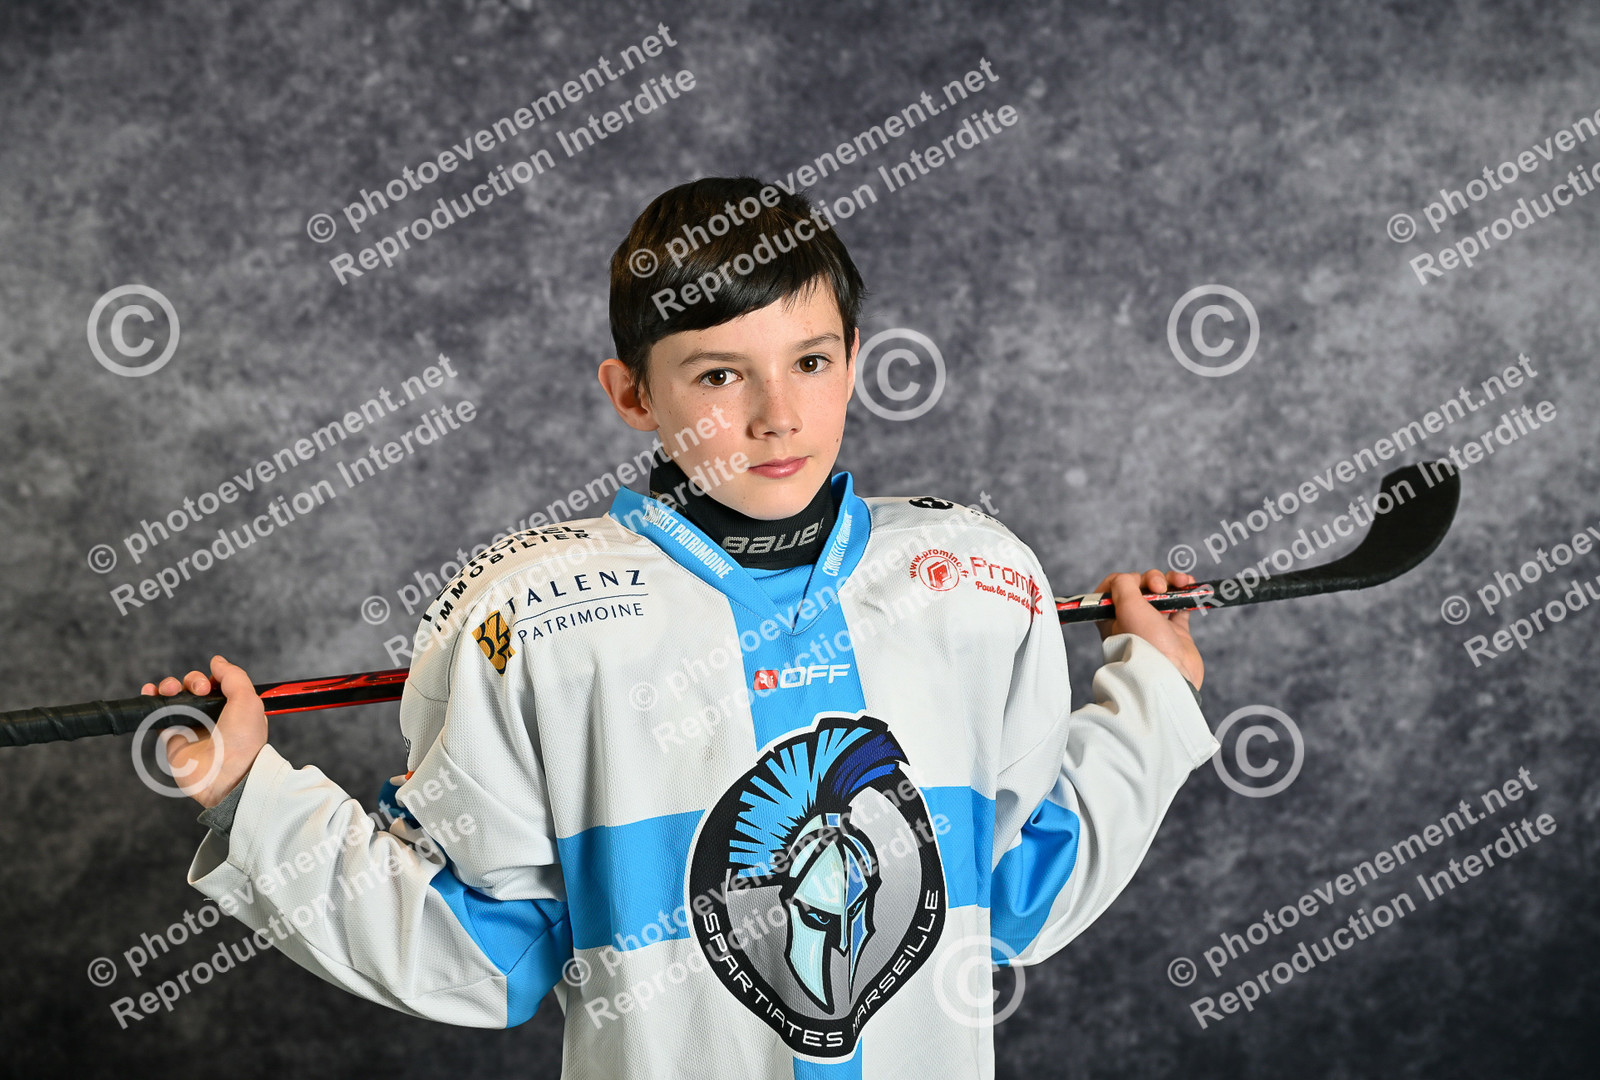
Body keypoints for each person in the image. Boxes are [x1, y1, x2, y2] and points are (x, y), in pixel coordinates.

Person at [143, 176, 1217, 1079]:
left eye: (810, 361)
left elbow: (1016, 890)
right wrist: (250, 797)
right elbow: (481, 951)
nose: (777, 416)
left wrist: (1154, 689)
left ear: (855, 355)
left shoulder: (977, 579)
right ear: (632, 395)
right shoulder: (530, 618)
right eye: (717, 375)